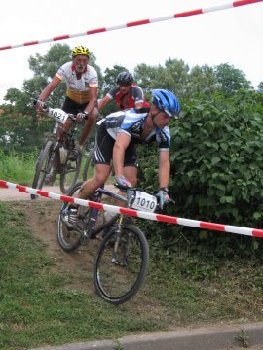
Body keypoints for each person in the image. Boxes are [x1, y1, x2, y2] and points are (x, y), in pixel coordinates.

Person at [64, 88, 180, 227]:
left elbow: (164, 161)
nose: (168, 121)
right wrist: (119, 175)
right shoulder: (134, 117)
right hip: (108, 133)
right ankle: (71, 207)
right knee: (101, 177)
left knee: (131, 181)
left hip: (127, 140)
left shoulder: (164, 131)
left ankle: (111, 222)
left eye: (171, 118)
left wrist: (164, 190)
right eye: (166, 116)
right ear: (154, 109)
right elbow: (119, 147)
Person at [36, 45, 98, 158]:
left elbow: (93, 98)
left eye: (84, 60)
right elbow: (51, 86)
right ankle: (55, 162)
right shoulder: (65, 68)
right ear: (73, 60)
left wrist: (85, 113)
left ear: (88, 61)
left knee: (93, 115)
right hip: (71, 100)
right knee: (61, 132)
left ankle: (79, 145)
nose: (81, 63)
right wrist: (40, 100)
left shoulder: (92, 73)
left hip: (87, 103)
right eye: (78, 60)